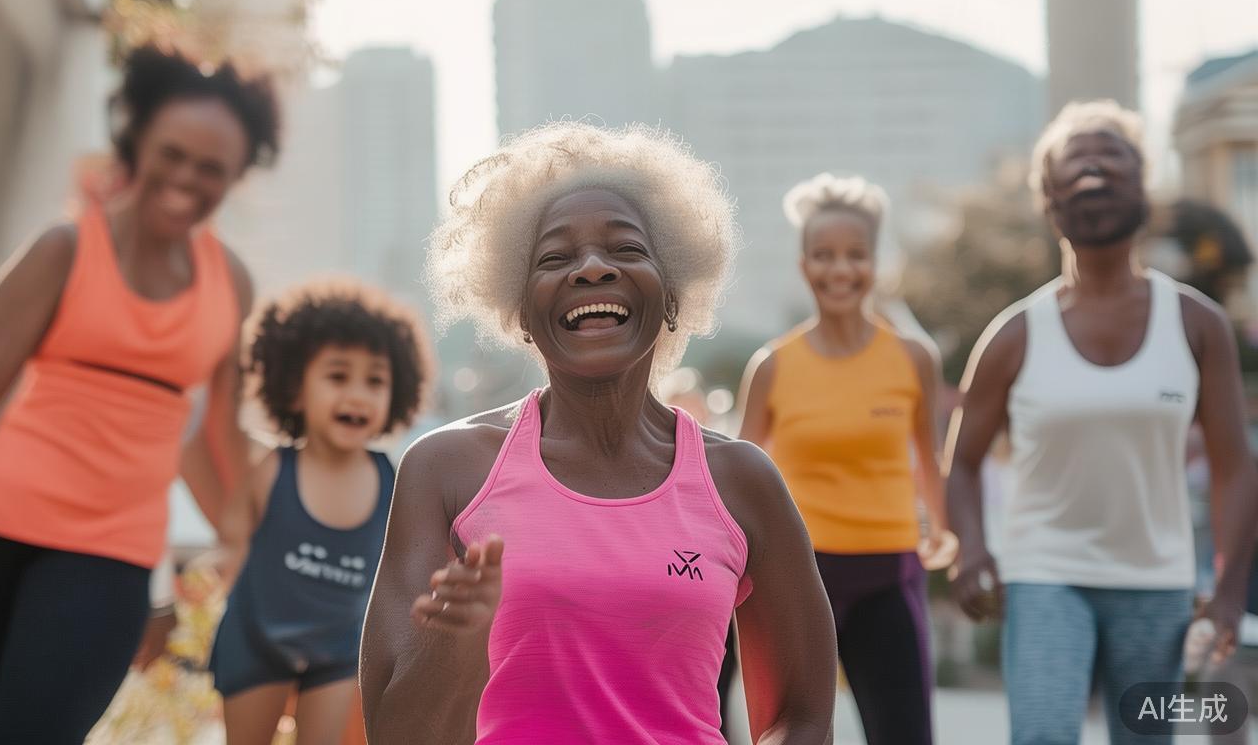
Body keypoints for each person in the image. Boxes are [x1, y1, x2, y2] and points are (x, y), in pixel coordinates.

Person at [359, 123, 837, 744]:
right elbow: (393, 735)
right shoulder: (447, 468)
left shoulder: (742, 481)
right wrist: (455, 645)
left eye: (627, 250)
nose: (591, 268)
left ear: (671, 296)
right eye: (554, 258)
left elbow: (800, 718)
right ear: (521, 311)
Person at [0, 42, 279, 744]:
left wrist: (262, 547)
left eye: (211, 167)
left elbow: (219, 439)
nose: (187, 178)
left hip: (111, 555)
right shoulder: (61, 253)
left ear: (237, 175)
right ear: (138, 140)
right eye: (172, 153)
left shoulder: (229, 285)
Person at [945, 100, 1258, 745]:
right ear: (1049, 197)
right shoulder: (1013, 334)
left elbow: (1234, 467)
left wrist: (1228, 592)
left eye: (1111, 154)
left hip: (1157, 581)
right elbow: (965, 460)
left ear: (1142, 184)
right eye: (1075, 158)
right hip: (1043, 574)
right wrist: (972, 549)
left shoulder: (1199, 325)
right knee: (1044, 736)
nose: (1094, 166)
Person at [738, 173, 949, 745]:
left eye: (855, 255)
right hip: (799, 573)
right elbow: (740, 477)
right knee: (794, 735)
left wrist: (948, 533)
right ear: (804, 264)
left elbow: (928, 460)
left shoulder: (912, 359)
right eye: (823, 255)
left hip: (890, 571)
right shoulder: (772, 366)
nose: (840, 270)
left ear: (875, 263)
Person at [212, 280, 432, 745]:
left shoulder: (392, 478)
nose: (357, 395)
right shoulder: (272, 469)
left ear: (396, 394)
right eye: (337, 377)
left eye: (374, 381)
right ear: (294, 389)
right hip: (257, 640)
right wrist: (231, 573)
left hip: (338, 649)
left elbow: (404, 567)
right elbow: (231, 534)